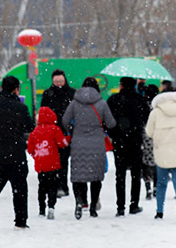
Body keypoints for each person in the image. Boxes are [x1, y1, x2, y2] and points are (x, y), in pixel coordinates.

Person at [0, 76, 36, 233]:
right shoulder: (20, 108)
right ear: (16, 89)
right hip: (15, 155)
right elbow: (30, 127)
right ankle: (20, 221)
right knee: (19, 189)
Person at [62, 77, 115, 220]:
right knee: (95, 177)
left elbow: (65, 120)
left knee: (78, 175)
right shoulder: (102, 104)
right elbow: (111, 123)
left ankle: (80, 201)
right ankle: (93, 207)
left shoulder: (74, 104)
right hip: (97, 143)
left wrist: (73, 130)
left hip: (78, 143)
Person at [146, 89, 176, 224]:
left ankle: (159, 211)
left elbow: (149, 132)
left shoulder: (155, 112)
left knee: (161, 184)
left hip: (162, 152)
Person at [107, 76, 150, 216]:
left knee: (120, 174)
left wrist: (114, 134)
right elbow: (146, 117)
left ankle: (120, 207)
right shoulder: (140, 100)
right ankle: (134, 204)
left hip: (119, 141)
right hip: (135, 141)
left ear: (121, 86)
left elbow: (107, 120)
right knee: (135, 174)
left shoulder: (113, 100)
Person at [27, 106, 69, 219]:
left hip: (41, 165)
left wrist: (36, 155)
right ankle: (51, 206)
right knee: (52, 187)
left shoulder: (34, 132)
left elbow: (30, 149)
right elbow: (62, 144)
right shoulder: (55, 129)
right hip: (53, 164)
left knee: (42, 186)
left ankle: (41, 209)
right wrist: (68, 138)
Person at [40, 69, 75, 197]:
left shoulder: (72, 93)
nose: (59, 84)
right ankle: (54, 186)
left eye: (60, 81)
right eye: (56, 81)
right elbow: (43, 111)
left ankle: (63, 185)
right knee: (53, 161)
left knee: (64, 160)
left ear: (65, 80)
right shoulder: (48, 93)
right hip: (52, 132)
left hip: (67, 131)